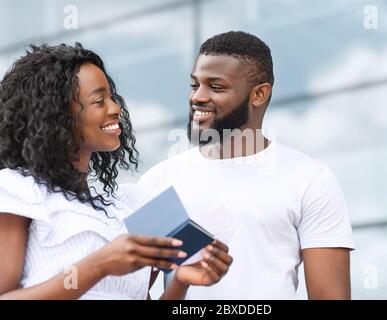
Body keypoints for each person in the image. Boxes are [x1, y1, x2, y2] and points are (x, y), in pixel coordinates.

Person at [0, 43, 232, 300]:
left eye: (112, 97)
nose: (115, 108)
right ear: (57, 116)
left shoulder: (130, 206)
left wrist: (180, 281)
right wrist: (99, 265)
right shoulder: (16, 189)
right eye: (99, 100)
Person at [138, 31, 354, 299]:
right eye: (195, 85)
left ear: (259, 94)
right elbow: (131, 291)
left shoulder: (311, 179)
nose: (197, 97)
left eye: (215, 87)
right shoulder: (159, 181)